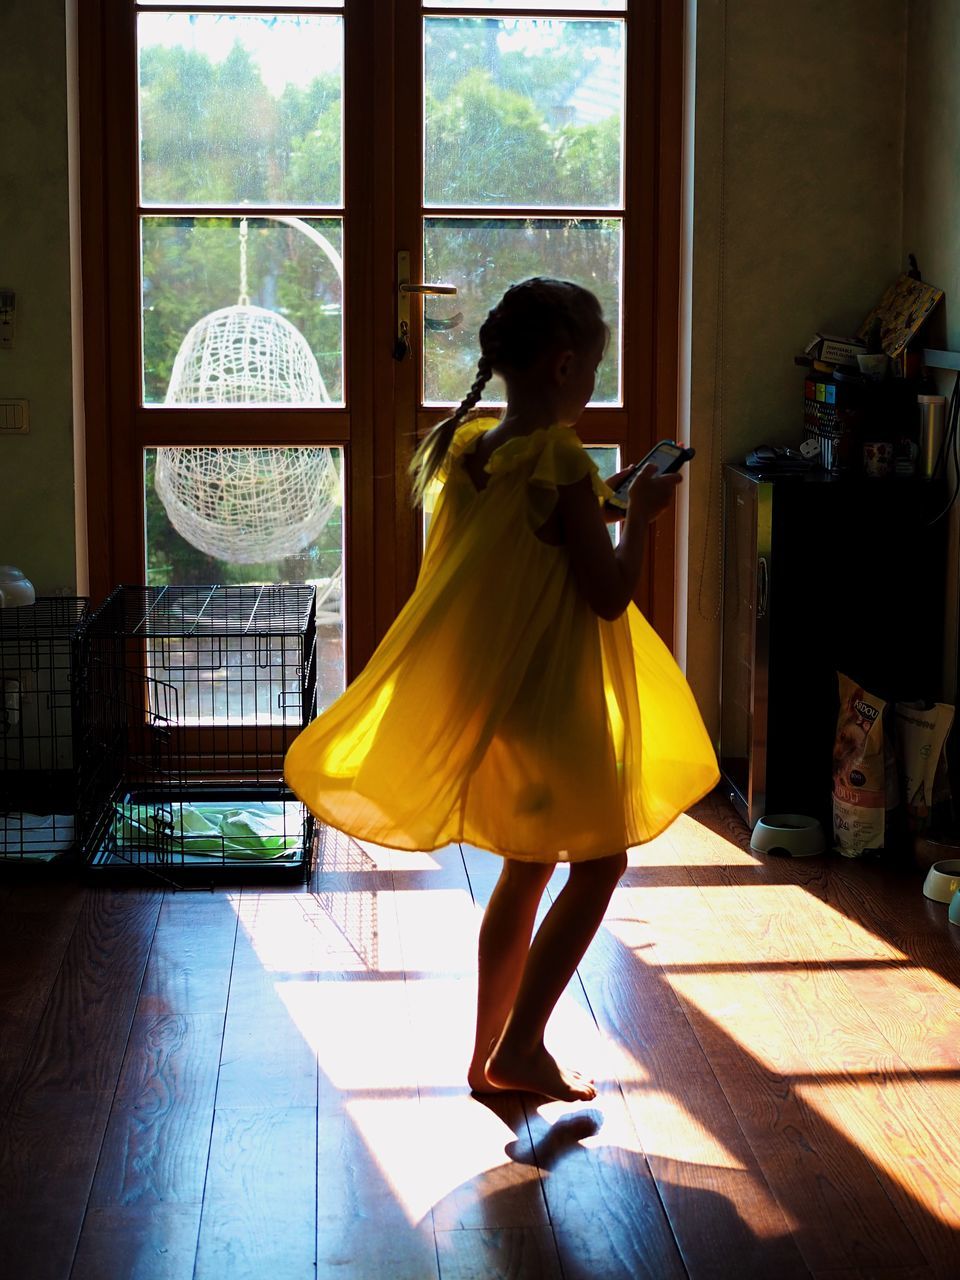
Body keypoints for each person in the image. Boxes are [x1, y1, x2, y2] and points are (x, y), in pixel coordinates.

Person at [285, 278, 719, 1102]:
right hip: (556, 696)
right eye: (593, 368)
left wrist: (612, 497)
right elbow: (607, 593)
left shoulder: (475, 446)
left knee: (527, 869)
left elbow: (544, 535)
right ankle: (521, 1044)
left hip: (505, 701)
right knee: (597, 865)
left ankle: (490, 1054)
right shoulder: (555, 456)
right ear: (563, 365)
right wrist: (649, 520)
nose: (593, 383)